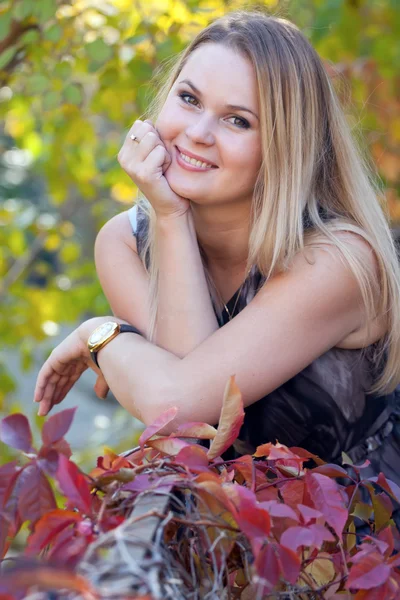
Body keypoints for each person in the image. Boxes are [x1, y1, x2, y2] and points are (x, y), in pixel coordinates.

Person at [34, 10, 400, 485]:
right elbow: (191, 424)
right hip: (230, 535)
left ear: (285, 145)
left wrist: (97, 336)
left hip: (365, 540)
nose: (198, 133)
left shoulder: (338, 260)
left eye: (237, 120)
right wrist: (171, 217)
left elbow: (181, 406)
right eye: (188, 99)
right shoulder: (124, 242)